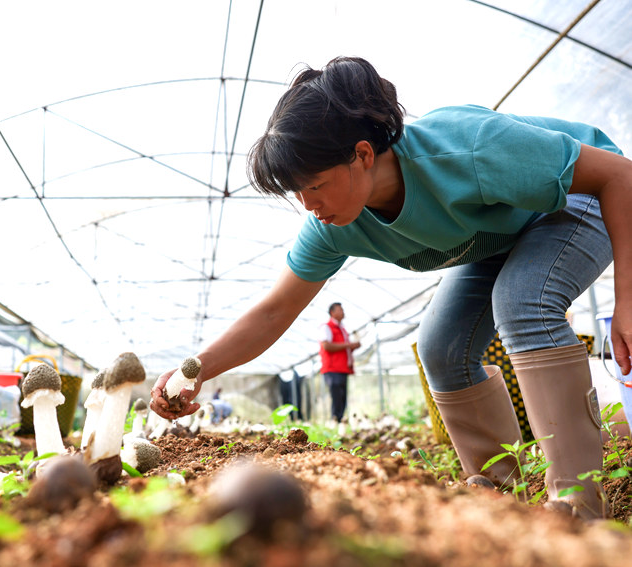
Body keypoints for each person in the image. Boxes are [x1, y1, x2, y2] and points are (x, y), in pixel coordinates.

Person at [151, 56, 632, 521]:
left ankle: (576, 505)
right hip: (503, 236)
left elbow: (618, 176)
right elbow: (275, 311)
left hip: (583, 197)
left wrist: (629, 299)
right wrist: (196, 369)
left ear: (362, 154)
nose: (308, 205)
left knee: (521, 303)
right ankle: (499, 495)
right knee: (441, 348)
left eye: (314, 185)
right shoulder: (333, 224)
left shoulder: (467, 149)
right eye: (298, 193)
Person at [320, 302, 360, 423]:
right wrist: (348, 345)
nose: (343, 312)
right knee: (336, 396)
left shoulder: (342, 329)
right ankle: (335, 420)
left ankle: (340, 421)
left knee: (342, 396)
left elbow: (343, 348)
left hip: (343, 368)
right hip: (332, 368)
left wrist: (352, 346)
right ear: (332, 312)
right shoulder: (326, 327)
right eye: (340, 310)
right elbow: (326, 346)